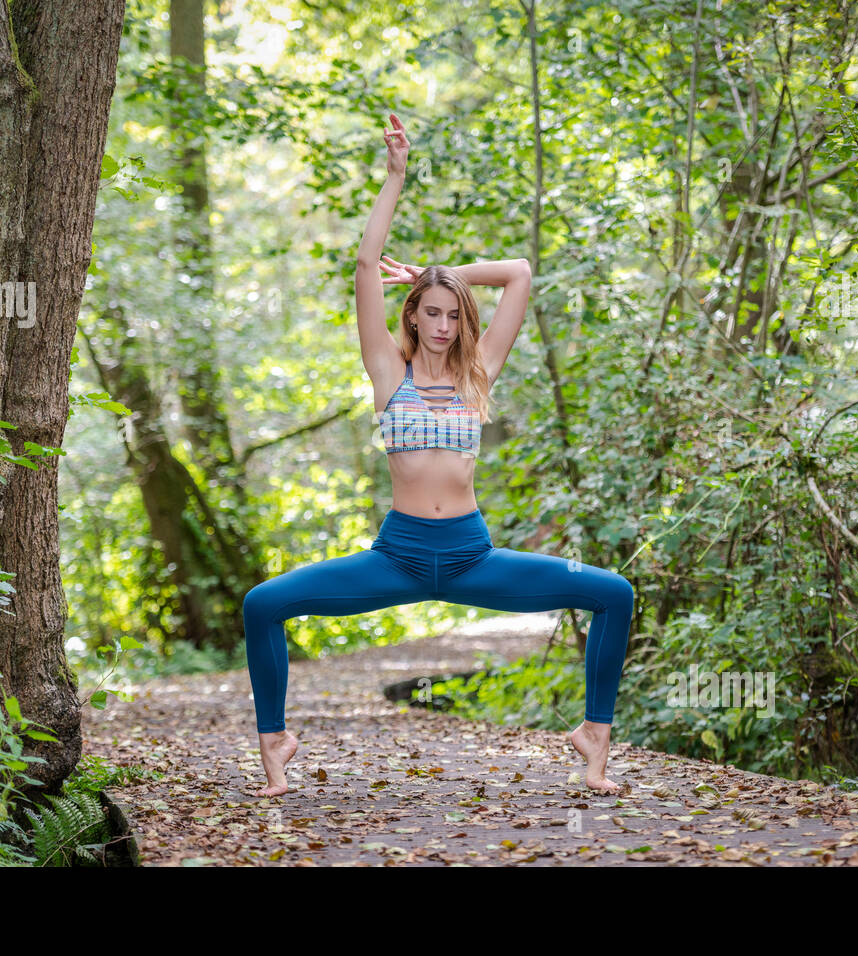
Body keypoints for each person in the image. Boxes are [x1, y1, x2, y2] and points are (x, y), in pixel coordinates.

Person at [242, 112, 635, 796]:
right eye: (432, 312)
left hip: (471, 557)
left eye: (453, 314)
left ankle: (594, 737)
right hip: (395, 557)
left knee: (614, 593)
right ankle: (275, 743)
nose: (444, 326)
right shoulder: (387, 374)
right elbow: (364, 264)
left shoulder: (479, 371)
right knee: (262, 604)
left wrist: (444, 273)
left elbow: (518, 273)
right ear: (411, 316)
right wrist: (395, 176)